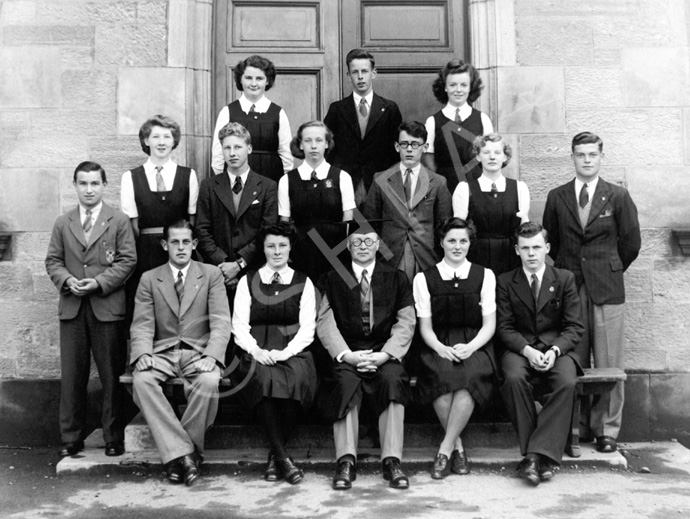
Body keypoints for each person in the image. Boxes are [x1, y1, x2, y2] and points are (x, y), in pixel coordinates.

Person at [542, 132, 641, 454]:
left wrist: (609, 269)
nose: (586, 160)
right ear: (572, 157)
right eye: (580, 154)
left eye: (592, 155)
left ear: (601, 157)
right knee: (575, 359)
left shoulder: (617, 196)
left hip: (607, 288)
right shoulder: (557, 197)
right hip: (571, 287)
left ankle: (607, 429)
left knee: (610, 361)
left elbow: (630, 243)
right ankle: (578, 425)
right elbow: (552, 243)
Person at [129, 220, 231, 487]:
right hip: (162, 352)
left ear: (194, 244)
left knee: (209, 381)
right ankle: (187, 455)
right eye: (175, 242)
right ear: (165, 245)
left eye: (186, 242)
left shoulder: (210, 275)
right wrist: (141, 353)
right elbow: (142, 323)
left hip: (198, 352)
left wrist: (212, 355)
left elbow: (221, 321)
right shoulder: (150, 278)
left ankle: (176, 458)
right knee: (142, 381)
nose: (181, 247)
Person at [45, 161, 136, 458]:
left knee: (111, 374)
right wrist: (67, 280)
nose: (88, 189)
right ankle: (71, 436)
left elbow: (127, 261)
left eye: (94, 183)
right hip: (72, 307)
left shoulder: (118, 221)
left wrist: (98, 283)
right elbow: (53, 261)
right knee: (73, 374)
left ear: (104, 185)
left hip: (106, 306)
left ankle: (113, 435)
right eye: (82, 183)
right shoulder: (64, 222)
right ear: (74, 186)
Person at [316, 221, 415, 491]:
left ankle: (392, 460)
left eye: (369, 241)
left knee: (393, 381)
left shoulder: (396, 277)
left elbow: (406, 322)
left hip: (384, 350)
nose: (363, 247)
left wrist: (386, 354)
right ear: (347, 246)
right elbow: (324, 321)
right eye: (357, 242)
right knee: (345, 383)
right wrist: (346, 355)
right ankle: (346, 460)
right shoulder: (332, 278)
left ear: (378, 245)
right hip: (347, 350)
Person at [497, 222, 584, 486]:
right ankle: (542, 456)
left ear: (547, 248)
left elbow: (574, 327)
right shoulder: (505, 281)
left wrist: (556, 350)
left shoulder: (565, 278)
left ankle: (533, 457)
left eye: (536, 247)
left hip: (557, 349)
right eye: (525, 248)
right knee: (512, 379)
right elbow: (504, 327)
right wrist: (527, 350)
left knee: (567, 382)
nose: (531, 254)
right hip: (520, 349)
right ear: (517, 250)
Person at [231, 222, 317, 484]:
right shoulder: (248, 281)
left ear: (290, 247)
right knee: (263, 379)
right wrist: (256, 351)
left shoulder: (303, 281)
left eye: (282, 246)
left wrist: (286, 353)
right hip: (254, 349)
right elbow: (238, 325)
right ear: (263, 249)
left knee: (298, 378)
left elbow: (308, 328)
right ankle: (282, 458)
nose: (277, 251)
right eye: (271, 246)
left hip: (293, 350)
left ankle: (275, 457)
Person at [412, 218, 496, 479]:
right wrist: (439, 347)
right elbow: (425, 327)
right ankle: (457, 447)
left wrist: (471, 347)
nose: (457, 246)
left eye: (463, 241)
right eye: (451, 241)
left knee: (469, 377)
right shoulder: (423, 279)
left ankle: (444, 449)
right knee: (441, 377)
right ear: (441, 243)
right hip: (438, 342)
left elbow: (489, 325)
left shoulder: (485, 275)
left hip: (476, 342)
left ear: (470, 243)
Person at [120, 115, 199, 326]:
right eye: (156, 136)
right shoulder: (131, 177)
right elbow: (132, 227)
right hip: (145, 254)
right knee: (147, 313)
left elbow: (192, 221)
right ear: (146, 141)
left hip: (178, 252)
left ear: (174, 141)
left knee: (178, 311)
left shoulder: (188, 175)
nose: (161, 142)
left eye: (167, 136)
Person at [196, 122, 279, 313]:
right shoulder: (209, 186)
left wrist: (240, 264)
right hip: (219, 272)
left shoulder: (267, 187)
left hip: (255, 271)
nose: (232, 153)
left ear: (249, 148)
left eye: (237, 147)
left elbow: (267, 230)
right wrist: (223, 264)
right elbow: (201, 229)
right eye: (227, 148)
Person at [362, 120, 452, 283]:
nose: (409, 149)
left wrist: (435, 254)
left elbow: (443, 225)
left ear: (425, 147)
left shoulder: (438, 182)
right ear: (397, 147)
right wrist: (384, 252)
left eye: (415, 144)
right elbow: (369, 223)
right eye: (404, 144)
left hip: (426, 256)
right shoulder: (381, 179)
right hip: (390, 256)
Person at [278, 121, 356, 282]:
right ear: (300, 145)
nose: (313, 146)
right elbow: (284, 223)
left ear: (327, 144)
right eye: (308, 140)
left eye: (319, 140)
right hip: (301, 253)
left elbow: (348, 222)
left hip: (335, 253)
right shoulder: (287, 180)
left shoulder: (342, 177)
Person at [324, 48, 402, 205]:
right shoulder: (337, 109)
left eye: (365, 71)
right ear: (348, 76)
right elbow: (327, 149)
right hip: (345, 182)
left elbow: (397, 150)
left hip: (380, 183)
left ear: (374, 73)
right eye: (354, 72)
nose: (360, 77)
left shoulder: (389, 109)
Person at [453, 133, 529, 276]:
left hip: (510, 257)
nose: (492, 157)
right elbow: (458, 229)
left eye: (497, 152)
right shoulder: (464, 188)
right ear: (478, 156)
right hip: (476, 256)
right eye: (486, 152)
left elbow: (525, 228)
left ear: (505, 157)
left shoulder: (519, 188)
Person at [211, 55, 293, 182]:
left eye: (259, 78)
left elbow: (286, 153)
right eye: (248, 78)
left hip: (271, 178)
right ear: (241, 80)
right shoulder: (227, 112)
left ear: (267, 81)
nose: (254, 84)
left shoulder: (278, 113)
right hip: (236, 179)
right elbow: (218, 155)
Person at [423, 59, 494, 195]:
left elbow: (490, 156)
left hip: (477, 186)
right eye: (453, 85)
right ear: (445, 87)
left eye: (463, 85)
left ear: (470, 87)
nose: (458, 90)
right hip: (445, 187)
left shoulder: (482, 119)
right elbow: (428, 159)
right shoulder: (432, 121)